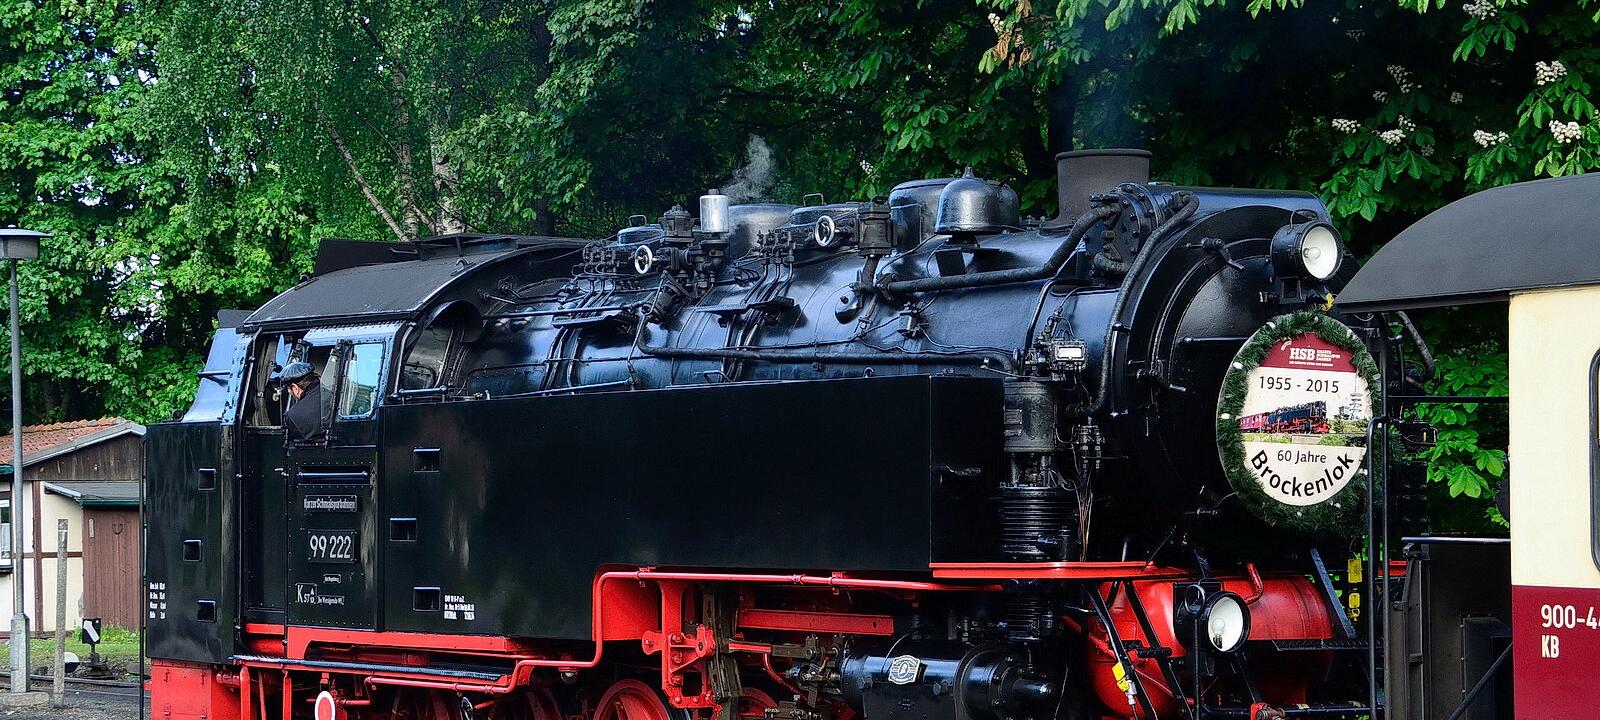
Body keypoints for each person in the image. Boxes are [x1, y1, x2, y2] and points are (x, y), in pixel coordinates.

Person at [279, 361, 331, 442]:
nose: (289, 392)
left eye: (288, 389)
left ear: (295, 388)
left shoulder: (292, 416)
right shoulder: (335, 395)